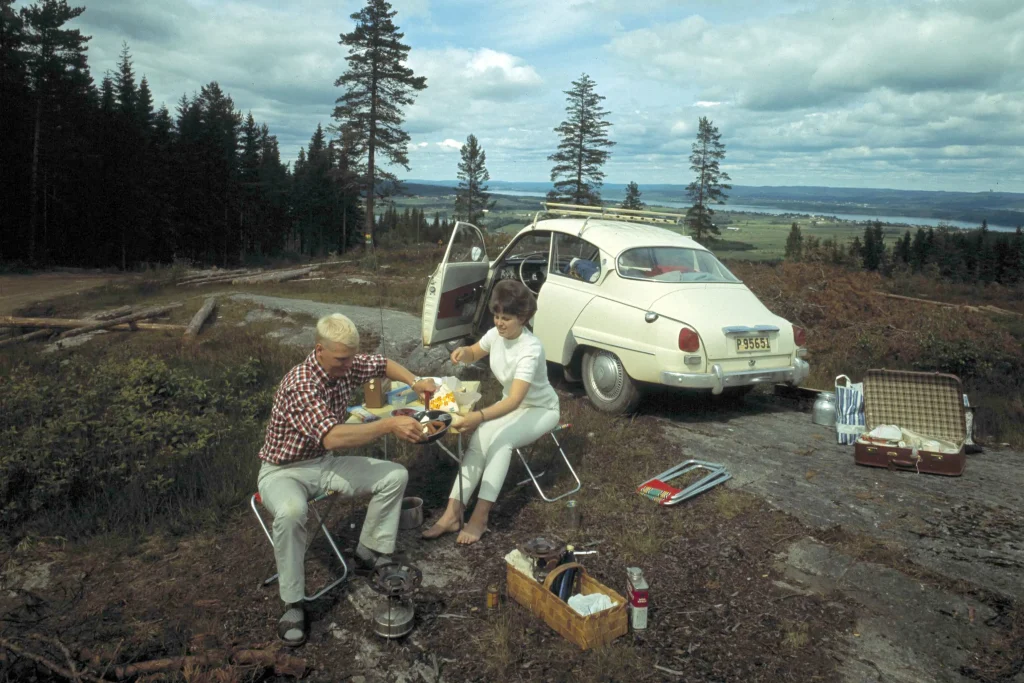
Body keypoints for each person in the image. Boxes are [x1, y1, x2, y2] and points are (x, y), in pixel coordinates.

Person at [256, 313, 437, 647]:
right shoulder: (301, 384)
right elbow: (332, 437)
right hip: (282, 471)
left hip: (323, 464)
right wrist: (389, 424)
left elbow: (382, 364)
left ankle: (369, 550)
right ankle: (293, 603)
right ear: (319, 350)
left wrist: (415, 382)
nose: (349, 365)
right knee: (293, 511)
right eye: (342, 359)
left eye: (351, 357)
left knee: (395, 475)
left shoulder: (345, 362)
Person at [422, 280, 560, 545]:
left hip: (541, 409)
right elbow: (476, 351)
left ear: (523, 317)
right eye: (496, 316)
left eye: (506, 318)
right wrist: (464, 353)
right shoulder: (497, 334)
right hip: (512, 404)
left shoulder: (530, 348)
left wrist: (480, 416)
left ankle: (480, 518)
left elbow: (515, 400)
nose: (499, 322)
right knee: (478, 441)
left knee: (500, 441)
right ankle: (452, 513)